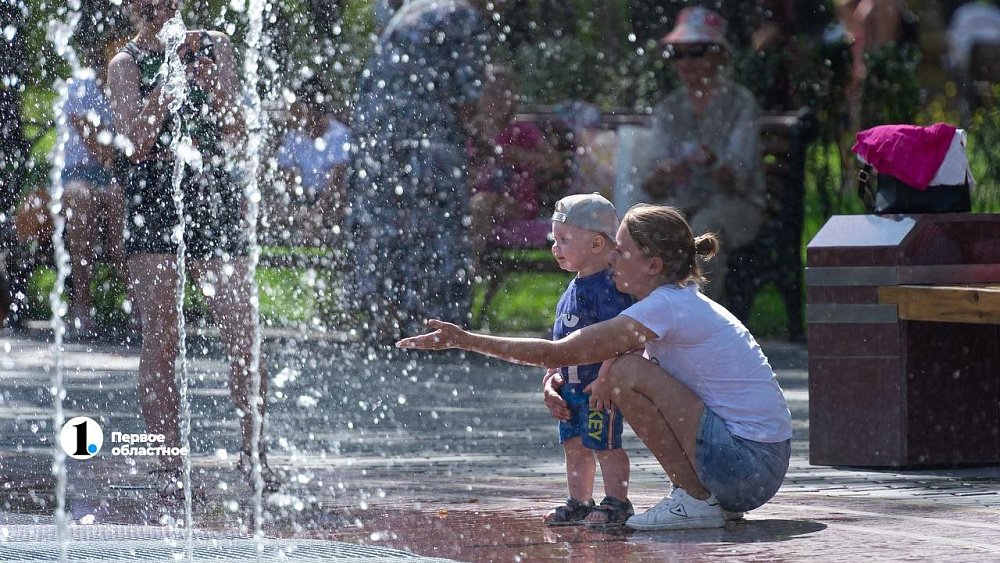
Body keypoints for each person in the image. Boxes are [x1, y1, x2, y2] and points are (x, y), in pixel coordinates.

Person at [398, 204, 792, 531]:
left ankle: (693, 499)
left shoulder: (666, 306)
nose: (611, 258)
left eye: (621, 251)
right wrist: (555, 378)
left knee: (623, 375)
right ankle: (701, 498)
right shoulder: (676, 302)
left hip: (747, 468)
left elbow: (561, 352)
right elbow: (566, 362)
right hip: (752, 467)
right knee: (621, 368)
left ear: (653, 265)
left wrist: (465, 340)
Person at [106, 0, 278, 497]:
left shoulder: (215, 44)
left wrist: (212, 88)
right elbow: (134, 142)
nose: (162, 9)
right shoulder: (127, 64)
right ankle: (166, 461)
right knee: (161, 335)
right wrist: (170, 83)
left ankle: (254, 453)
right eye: (151, 4)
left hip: (213, 194)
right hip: (155, 201)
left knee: (243, 331)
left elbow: (235, 129)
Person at [347, 0, 490, 342]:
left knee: (386, 223)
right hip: (426, 136)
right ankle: (439, 327)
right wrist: (480, 139)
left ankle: (386, 316)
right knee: (438, 221)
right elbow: (467, 95)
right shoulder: (463, 15)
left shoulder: (417, 8)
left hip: (377, 134)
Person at [640, 7, 765, 305]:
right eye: (677, 53)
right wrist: (665, 173)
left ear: (719, 54)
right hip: (682, 202)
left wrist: (712, 163)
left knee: (701, 231)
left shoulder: (740, 103)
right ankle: (646, 318)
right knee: (648, 227)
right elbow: (651, 183)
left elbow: (738, 181)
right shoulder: (668, 108)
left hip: (737, 205)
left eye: (696, 51)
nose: (687, 62)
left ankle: (699, 322)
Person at [540, 193, 634, 528]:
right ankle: (579, 501)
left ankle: (617, 502)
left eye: (564, 239)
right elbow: (559, 344)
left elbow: (618, 341)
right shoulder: (572, 288)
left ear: (596, 244)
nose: (555, 247)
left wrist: (606, 378)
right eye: (555, 239)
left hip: (597, 388)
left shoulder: (608, 289)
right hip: (571, 387)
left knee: (605, 445)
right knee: (575, 445)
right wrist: (551, 379)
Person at [61, 35, 128, 337]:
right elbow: (94, 141)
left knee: (118, 196)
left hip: (112, 177)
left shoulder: (128, 82)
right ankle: (81, 303)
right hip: (77, 174)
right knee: (83, 197)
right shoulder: (81, 84)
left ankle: (136, 303)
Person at [467, 65, 565, 270]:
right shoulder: (471, 131)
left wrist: (522, 155)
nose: (501, 100)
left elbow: (556, 163)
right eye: (493, 93)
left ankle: (472, 269)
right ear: (479, 95)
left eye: (507, 94)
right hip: (474, 197)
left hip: (515, 201)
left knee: (482, 205)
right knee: (476, 204)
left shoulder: (522, 131)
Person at [274, 75, 351, 245]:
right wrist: (300, 208)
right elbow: (288, 176)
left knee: (340, 199)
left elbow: (336, 180)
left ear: (312, 109)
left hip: (331, 199)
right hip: (302, 199)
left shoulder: (340, 135)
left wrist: (317, 212)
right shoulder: (294, 138)